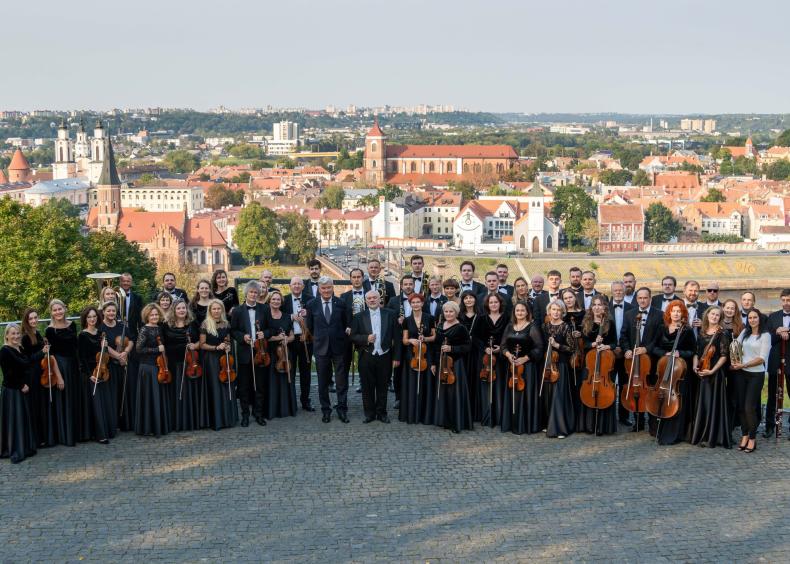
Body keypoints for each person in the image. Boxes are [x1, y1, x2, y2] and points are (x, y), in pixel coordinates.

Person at [650, 300, 696, 445]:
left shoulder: (687, 330)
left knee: (678, 401)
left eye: (679, 311)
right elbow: (653, 347)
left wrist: (679, 353)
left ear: (683, 314)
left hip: (679, 372)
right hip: (663, 369)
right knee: (660, 397)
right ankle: (658, 428)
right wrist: (665, 354)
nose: (676, 313)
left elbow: (693, 351)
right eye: (673, 311)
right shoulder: (661, 328)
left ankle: (676, 433)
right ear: (669, 313)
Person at [352, 290, 400, 423]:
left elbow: (397, 336)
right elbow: (353, 336)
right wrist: (366, 338)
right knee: (367, 387)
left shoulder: (390, 314)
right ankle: (369, 414)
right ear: (365, 301)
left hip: (385, 355)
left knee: (383, 386)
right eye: (369, 298)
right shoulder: (358, 316)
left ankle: (382, 413)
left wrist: (396, 357)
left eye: (374, 298)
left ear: (380, 299)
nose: (372, 300)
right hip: (367, 356)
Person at [620, 287, 664, 432]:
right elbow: (624, 336)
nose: (642, 300)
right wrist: (626, 349)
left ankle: (652, 423)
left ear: (650, 298)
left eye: (645, 298)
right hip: (634, 360)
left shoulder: (660, 315)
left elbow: (660, 339)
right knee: (636, 389)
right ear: (636, 299)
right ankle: (638, 422)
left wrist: (647, 349)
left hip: (652, 359)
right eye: (640, 298)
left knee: (651, 389)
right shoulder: (629, 314)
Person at [306, 276, 349, 423]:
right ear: (319, 289)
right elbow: (310, 326)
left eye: (328, 287)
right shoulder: (311, 304)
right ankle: (326, 410)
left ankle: (342, 409)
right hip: (321, 348)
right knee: (323, 381)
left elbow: (345, 323)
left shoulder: (341, 303)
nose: (326, 290)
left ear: (333, 287)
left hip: (338, 347)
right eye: (323, 288)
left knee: (341, 381)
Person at [690, 306, 732, 448]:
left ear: (720, 318)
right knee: (703, 404)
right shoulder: (702, 332)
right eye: (712, 314)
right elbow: (697, 352)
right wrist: (695, 366)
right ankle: (701, 434)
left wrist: (712, 371)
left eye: (717, 315)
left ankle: (713, 436)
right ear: (707, 315)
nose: (714, 317)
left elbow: (724, 356)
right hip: (702, 372)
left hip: (715, 375)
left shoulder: (723, 333)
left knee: (713, 404)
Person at [501, 301, 543, 435]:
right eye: (517, 310)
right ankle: (512, 423)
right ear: (514, 312)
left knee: (526, 396)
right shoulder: (509, 327)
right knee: (514, 395)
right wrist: (508, 355)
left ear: (527, 313)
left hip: (527, 368)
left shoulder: (532, 327)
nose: (519, 313)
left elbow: (539, 348)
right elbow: (503, 346)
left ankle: (526, 424)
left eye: (522, 310)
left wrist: (524, 358)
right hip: (513, 367)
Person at [731, 309, 770, 453]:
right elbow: (735, 347)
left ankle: (752, 438)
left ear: (760, 319)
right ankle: (745, 435)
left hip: (756, 375)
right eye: (750, 317)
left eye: (755, 317)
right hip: (741, 373)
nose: (752, 320)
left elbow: (762, 358)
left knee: (749, 408)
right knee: (741, 407)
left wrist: (744, 364)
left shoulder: (765, 336)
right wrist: (735, 361)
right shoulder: (744, 332)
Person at [578, 295, 618, 436]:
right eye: (594, 304)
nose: (596, 307)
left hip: (605, 363)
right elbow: (583, 344)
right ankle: (588, 425)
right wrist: (593, 344)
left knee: (605, 391)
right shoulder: (586, 322)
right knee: (588, 390)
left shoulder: (609, 323)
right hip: (590, 362)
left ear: (604, 307)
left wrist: (606, 346)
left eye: (599, 304)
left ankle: (603, 426)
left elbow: (614, 343)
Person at [0, 324, 40, 463]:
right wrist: (21, 385)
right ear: (6, 336)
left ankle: (25, 446)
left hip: (22, 390)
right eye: (12, 334)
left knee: (22, 419)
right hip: (12, 391)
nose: (16, 336)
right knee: (15, 421)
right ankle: (16, 449)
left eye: (17, 333)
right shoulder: (5, 350)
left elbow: (26, 364)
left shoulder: (19, 348)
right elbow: (8, 373)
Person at [164, 299, 205, 432]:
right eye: (179, 308)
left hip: (191, 363)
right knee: (176, 393)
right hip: (174, 364)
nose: (182, 310)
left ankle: (192, 421)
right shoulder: (166, 325)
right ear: (174, 310)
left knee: (190, 393)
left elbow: (201, 340)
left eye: (184, 308)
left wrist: (195, 345)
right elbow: (164, 345)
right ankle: (177, 422)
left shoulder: (193, 324)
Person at [230, 281, 267, 427]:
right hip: (245, 352)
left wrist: (265, 333)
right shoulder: (238, 311)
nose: (253, 294)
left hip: (261, 352)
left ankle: (258, 414)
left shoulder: (264, 309)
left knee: (259, 385)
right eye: (251, 292)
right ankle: (245, 414)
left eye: (255, 292)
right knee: (244, 386)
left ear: (258, 294)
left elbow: (271, 328)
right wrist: (242, 337)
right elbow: (233, 330)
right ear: (246, 293)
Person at [433, 301, 473, 433]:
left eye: (451, 312)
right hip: (442, 363)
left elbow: (468, 347)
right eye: (446, 311)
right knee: (443, 392)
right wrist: (433, 363)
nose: (448, 314)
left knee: (454, 393)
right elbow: (436, 346)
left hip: (455, 364)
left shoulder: (461, 328)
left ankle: (456, 421)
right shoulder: (440, 325)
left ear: (456, 313)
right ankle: (445, 420)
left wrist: (452, 348)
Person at [199, 299, 239, 430]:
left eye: (218, 309)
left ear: (222, 310)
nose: (216, 311)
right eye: (214, 309)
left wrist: (227, 346)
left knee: (226, 387)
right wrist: (217, 347)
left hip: (224, 359)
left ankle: (228, 419)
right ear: (210, 311)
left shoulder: (226, 324)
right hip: (211, 360)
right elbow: (202, 345)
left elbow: (227, 340)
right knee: (215, 389)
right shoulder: (205, 324)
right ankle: (216, 421)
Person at [77, 306, 114, 444]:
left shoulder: (101, 333)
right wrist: (89, 375)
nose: (92, 319)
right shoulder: (82, 335)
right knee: (95, 404)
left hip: (102, 370)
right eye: (89, 317)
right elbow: (81, 358)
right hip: (90, 373)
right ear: (85, 319)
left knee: (104, 402)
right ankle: (99, 434)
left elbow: (104, 355)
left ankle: (107, 430)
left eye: (94, 316)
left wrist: (104, 345)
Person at [45, 299, 77, 447]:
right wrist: (58, 376)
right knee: (62, 400)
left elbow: (75, 347)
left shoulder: (72, 325)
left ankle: (74, 433)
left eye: (60, 309)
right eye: (55, 310)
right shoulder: (49, 330)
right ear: (51, 312)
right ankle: (65, 435)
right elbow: (51, 355)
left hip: (73, 365)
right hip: (59, 365)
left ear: (65, 309)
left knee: (72, 398)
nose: (58, 312)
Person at [135, 304, 170, 437]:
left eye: (156, 314)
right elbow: (139, 349)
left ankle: (159, 426)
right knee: (150, 397)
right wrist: (156, 350)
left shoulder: (159, 328)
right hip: (147, 367)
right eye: (152, 315)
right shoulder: (144, 330)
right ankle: (148, 427)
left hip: (159, 366)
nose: (154, 317)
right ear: (147, 316)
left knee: (158, 396)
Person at [542, 300, 576, 438]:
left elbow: (571, 348)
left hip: (560, 365)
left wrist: (557, 345)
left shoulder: (566, 327)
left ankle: (560, 428)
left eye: (558, 310)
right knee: (548, 395)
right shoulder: (545, 326)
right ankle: (549, 423)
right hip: (547, 364)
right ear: (549, 311)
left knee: (558, 396)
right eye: (553, 309)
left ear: (563, 312)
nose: (555, 312)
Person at [400, 293, 435, 424]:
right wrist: (410, 340)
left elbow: (434, 337)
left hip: (426, 355)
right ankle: (412, 414)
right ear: (410, 304)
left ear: (422, 303)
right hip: (412, 355)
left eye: (417, 302)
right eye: (413, 302)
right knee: (412, 384)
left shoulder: (430, 318)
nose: (415, 304)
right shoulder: (407, 321)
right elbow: (404, 340)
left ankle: (425, 415)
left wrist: (425, 339)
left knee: (425, 384)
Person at [474, 293, 508, 427]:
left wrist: (502, 348)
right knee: (486, 386)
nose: (493, 304)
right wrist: (484, 349)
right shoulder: (481, 318)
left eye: (496, 302)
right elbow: (475, 338)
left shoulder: (507, 318)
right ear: (487, 304)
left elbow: (510, 336)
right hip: (485, 359)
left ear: (500, 304)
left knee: (499, 386)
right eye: (491, 302)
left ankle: (499, 417)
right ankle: (487, 416)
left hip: (501, 358)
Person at [263, 291, 297, 419]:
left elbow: (292, 335)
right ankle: (272, 410)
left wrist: (287, 339)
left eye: (278, 300)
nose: (276, 301)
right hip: (271, 353)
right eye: (273, 299)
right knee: (272, 381)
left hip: (285, 353)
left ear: (281, 301)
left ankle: (286, 409)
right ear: (269, 301)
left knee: (286, 380)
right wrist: (277, 338)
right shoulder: (265, 316)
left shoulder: (287, 316)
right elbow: (264, 337)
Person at [100, 302, 134, 432]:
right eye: (108, 311)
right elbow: (104, 345)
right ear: (103, 312)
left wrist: (126, 352)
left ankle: (125, 423)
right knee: (112, 394)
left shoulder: (121, 326)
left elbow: (130, 340)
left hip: (123, 362)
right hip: (110, 364)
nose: (111, 313)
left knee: (124, 392)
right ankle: (113, 424)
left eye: (113, 311)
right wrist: (118, 356)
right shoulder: (101, 327)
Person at [282, 276, 314, 411]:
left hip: (306, 340)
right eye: (294, 284)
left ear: (302, 286)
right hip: (290, 340)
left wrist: (308, 313)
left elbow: (316, 316)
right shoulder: (284, 300)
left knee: (306, 373)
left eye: (299, 284)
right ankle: (291, 402)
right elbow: (279, 317)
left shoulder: (310, 299)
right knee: (290, 371)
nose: (296, 286)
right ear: (290, 286)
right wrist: (291, 317)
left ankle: (305, 401)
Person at [764, 289, 790, 438]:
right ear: (781, 300)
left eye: (789, 300)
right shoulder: (773, 317)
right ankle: (769, 427)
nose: (786, 303)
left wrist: (788, 331)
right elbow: (769, 340)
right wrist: (777, 331)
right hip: (775, 361)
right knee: (772, 395)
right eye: (784, 300)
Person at [609, 281, 634, 426]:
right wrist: (613, 347)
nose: (618, 292)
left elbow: (631, 333)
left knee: (625, 384)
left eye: (620, 290)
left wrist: (625, 349)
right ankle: (610, 415)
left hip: (626, 352)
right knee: (610, 384)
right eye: (615, 290)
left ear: (624, 291)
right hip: (610, 353)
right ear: (611, 291)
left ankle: (624, 416)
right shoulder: (605, 309)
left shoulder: (632, 308)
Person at [20, 308, 45, 446]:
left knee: (40, 405)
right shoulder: (25, 337)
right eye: (31, 319)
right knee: (34, 406)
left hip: (40, 372)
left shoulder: (38, 333)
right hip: (32, 375)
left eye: (36, 317)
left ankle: (41, 437)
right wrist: (42, 352)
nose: (34, 320)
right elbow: (27, 360)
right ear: (26, 321)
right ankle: (35, 439)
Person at [340, 268, 367, 389]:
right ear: (350, 279)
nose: (356, 279)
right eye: (354, 277)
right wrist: (347, 327)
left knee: (364, 363)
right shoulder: (344, 296)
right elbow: (341, 316)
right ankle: (343, 393)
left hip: (366, 333)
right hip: (348, 333)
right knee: (345, 363)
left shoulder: (370, 295)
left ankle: (364, 385)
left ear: (363, 278)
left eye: (358, 277)